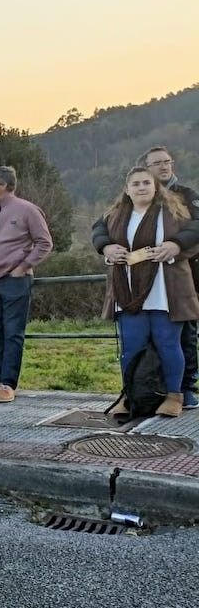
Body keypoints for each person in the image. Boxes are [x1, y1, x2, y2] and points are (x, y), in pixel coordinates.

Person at [94, 146, 199, 410]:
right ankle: (130, 395)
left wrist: (176, 245)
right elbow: (99, 231)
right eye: (136, 183)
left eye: (146, 183)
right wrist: (107, 248)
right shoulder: (115, 214)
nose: (141, 187)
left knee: (169, 343)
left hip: (167, 289)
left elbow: (196, 232)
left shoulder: (177, 209)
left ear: (156, 187)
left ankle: (175, 396)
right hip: (128, 290)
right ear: (127, 189)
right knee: (131, 345)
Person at [0, 166, 53, 404]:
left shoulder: (28, 210)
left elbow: (44, 242)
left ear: (3, 185)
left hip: (15, 281)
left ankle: (8, 384)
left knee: (13, 333)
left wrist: (23, 267)